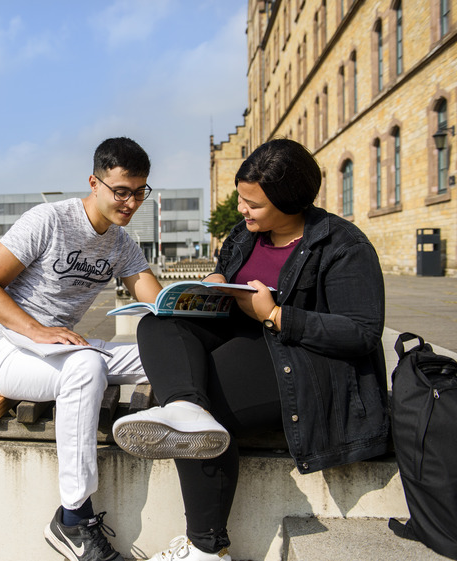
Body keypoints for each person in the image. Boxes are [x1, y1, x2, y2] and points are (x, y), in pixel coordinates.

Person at [112, 138, 389, 561]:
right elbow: (231, 265)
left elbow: (362, 332)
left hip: (301, 364)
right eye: (241, 199)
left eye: (253, 204)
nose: (243, 211)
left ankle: (206, 547)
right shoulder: (246, 233)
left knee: (210, 417)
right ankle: (184, 407)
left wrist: (276, 315)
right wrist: (216, 282)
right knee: (156, 322)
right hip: (242, 338)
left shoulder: (343, 246)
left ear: (290, 202)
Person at [0, 137, 163, 561]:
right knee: (88, 368)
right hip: (4, 348)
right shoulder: (49, 220)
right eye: (121, 191)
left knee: (161, 351)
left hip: (61, 349)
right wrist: (37, 330)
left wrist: (200, 307)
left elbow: (159, 303)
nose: (131, 202)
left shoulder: (120, 244)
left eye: (140, 192)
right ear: (94, 183)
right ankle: (74, 518)